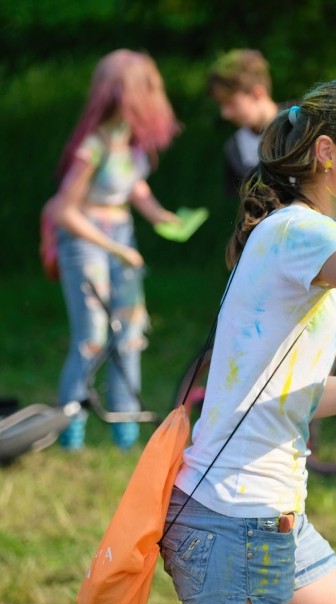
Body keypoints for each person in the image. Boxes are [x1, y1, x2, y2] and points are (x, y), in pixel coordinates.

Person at [160, 78, 336, 604]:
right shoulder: (305, 233)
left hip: (262, 517)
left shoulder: (296, 234)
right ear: (327, 154)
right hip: (236, 519)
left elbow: (292, 394)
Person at [50, 49, 181, 450]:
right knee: (91, 335)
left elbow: (133, 186)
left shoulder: (131, 145)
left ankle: (125, 426)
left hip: (122, 237)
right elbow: (63, 210)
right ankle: (69, 425)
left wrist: (160, 215)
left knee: (129, 331)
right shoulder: (94, 145)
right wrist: (112, 247)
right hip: (86, 242)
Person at [206, 49, 283, 197]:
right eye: (221, 105)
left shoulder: (302, 124)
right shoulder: (234, 147)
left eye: (230, 103)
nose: (225, 114)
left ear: (257, 93)